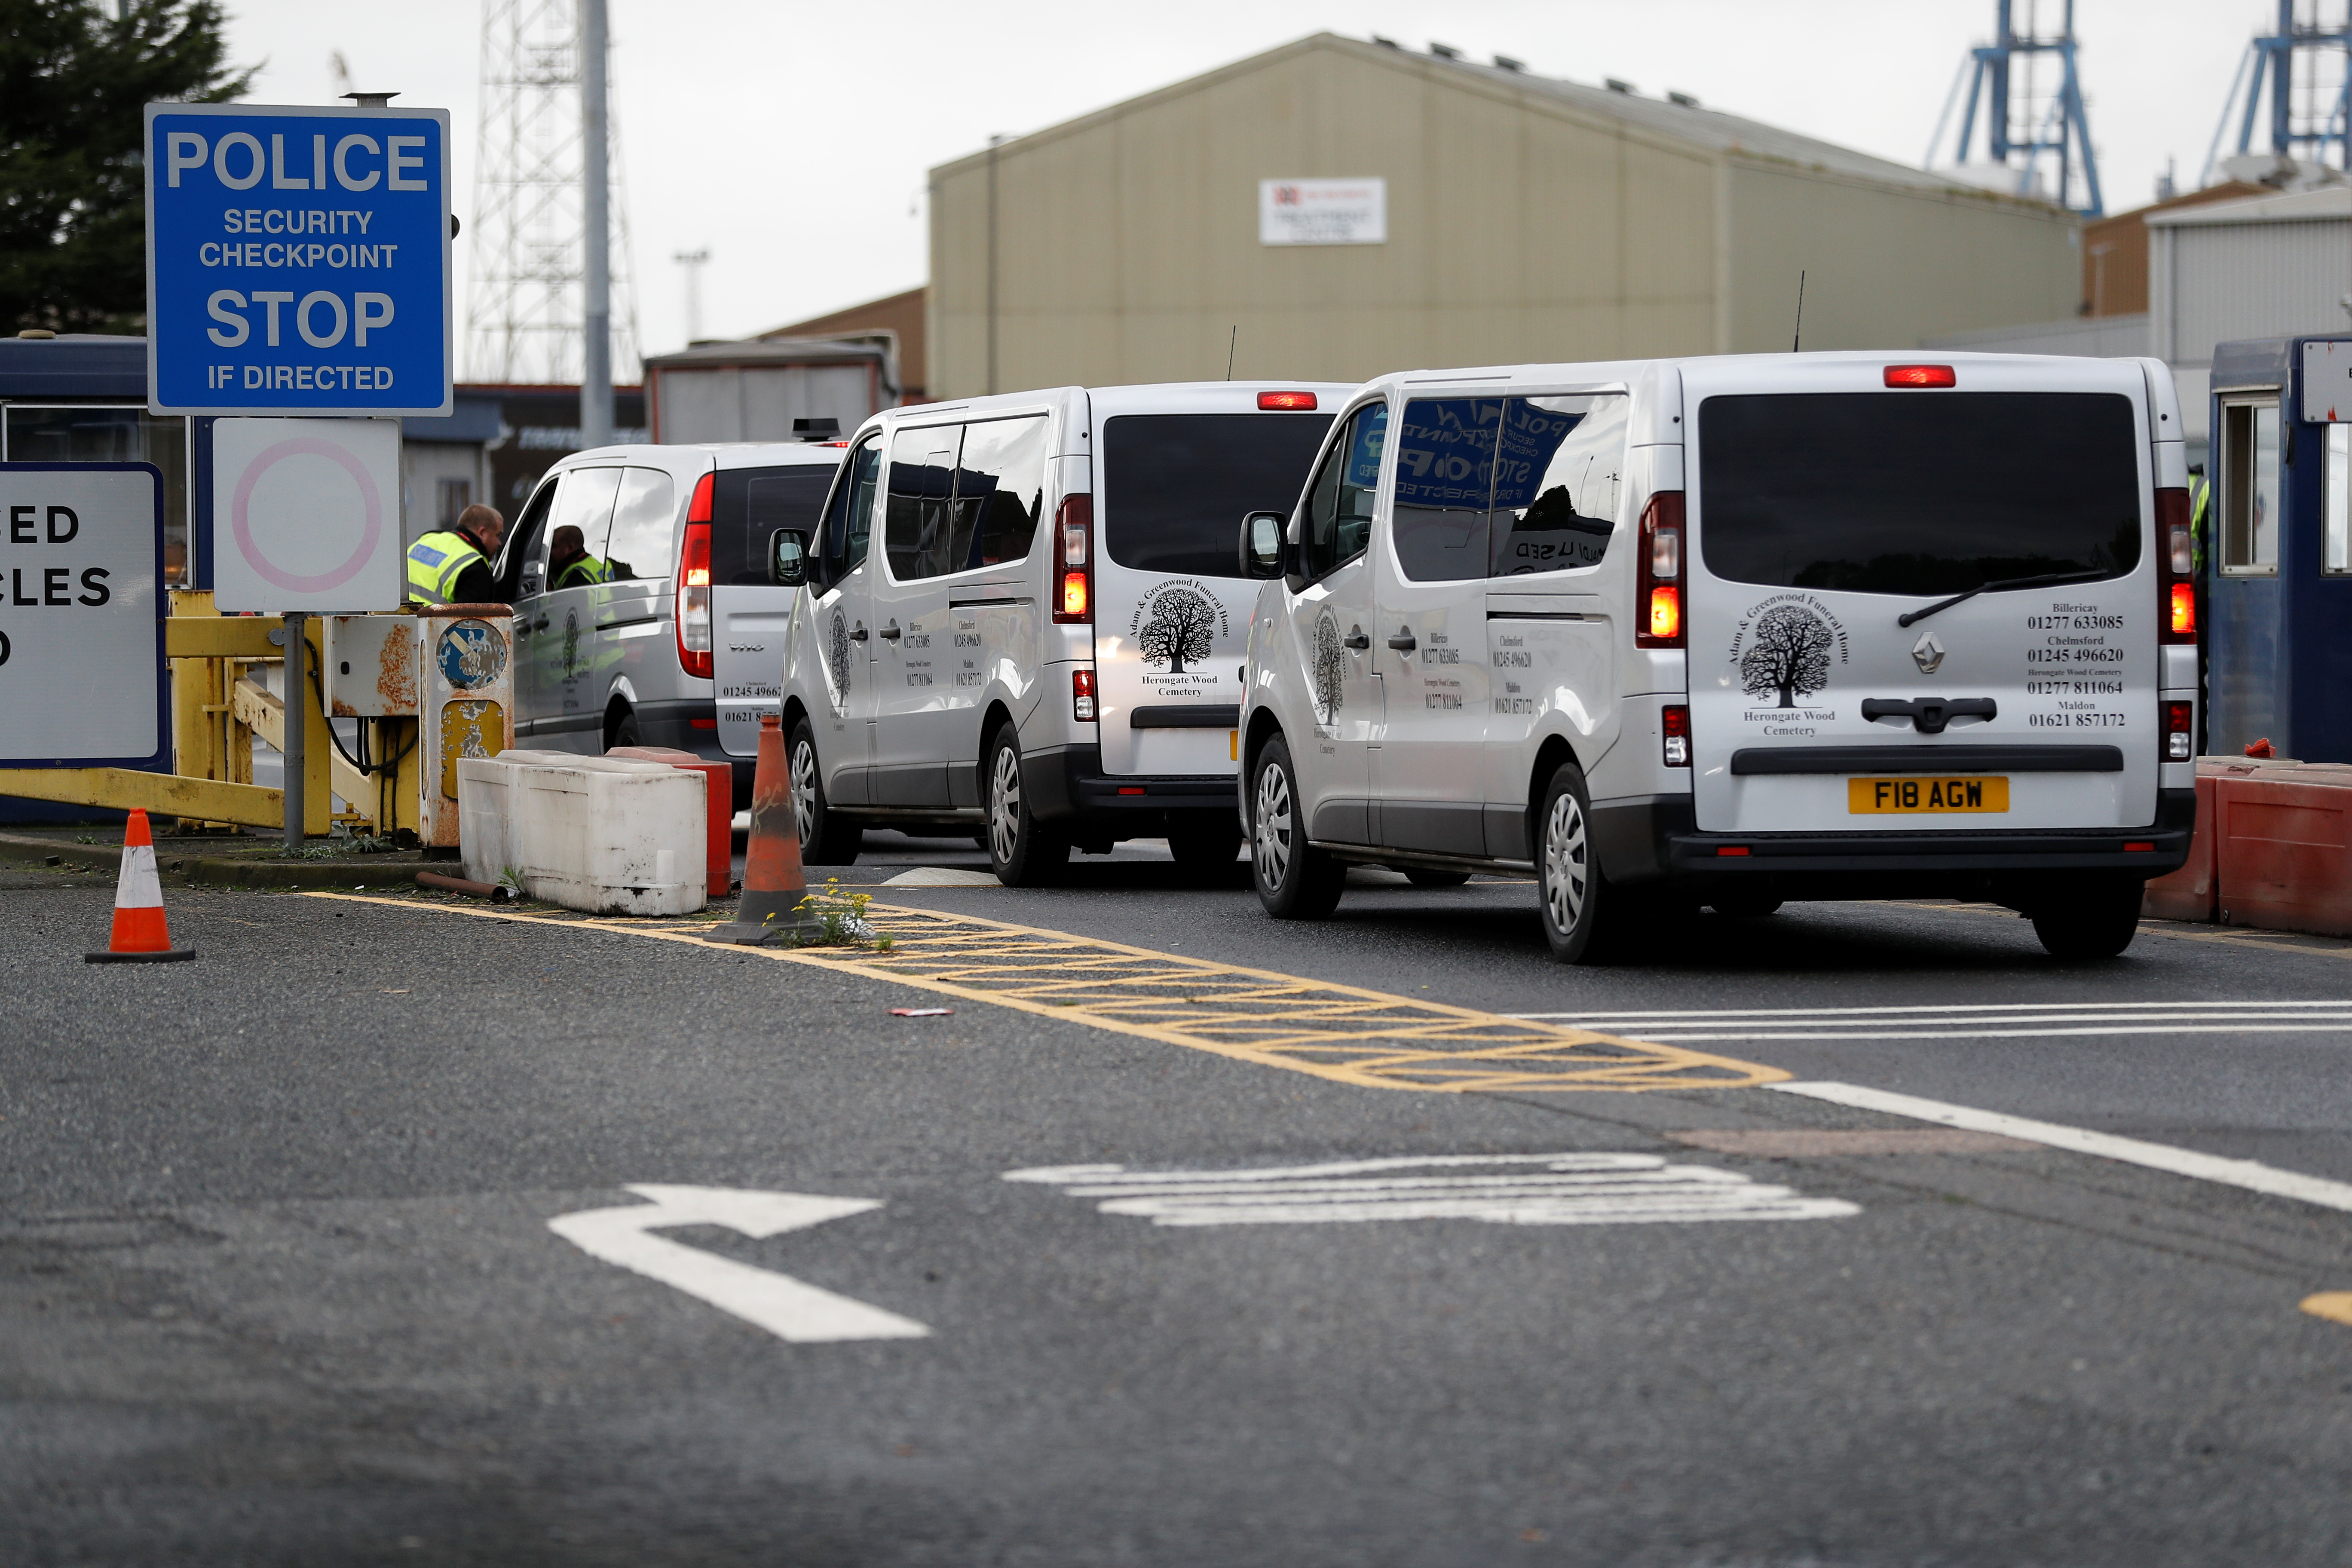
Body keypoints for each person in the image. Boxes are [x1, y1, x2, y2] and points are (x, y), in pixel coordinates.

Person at [406, 503, 505, 605]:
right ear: (482, 533)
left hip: (396, 617)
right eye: (498, 536)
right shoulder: (476, 569)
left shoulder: (426, 540)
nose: (499, 543)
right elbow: (470, 621)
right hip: (428, 621)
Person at [546, 524, 612, 589]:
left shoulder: (576, 577)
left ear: (569, 548)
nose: (550, 552)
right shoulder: (597, 564)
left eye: (553, 547)